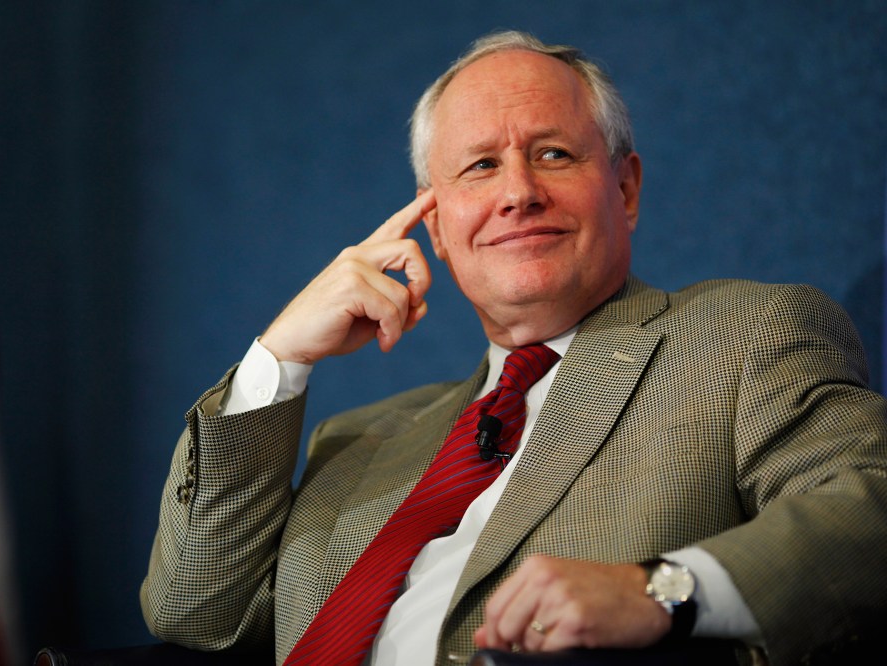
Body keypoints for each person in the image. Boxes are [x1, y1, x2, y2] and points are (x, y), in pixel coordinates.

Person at [140, 30, 887, 665]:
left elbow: (867, 516)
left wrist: (660, 589)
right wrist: (279, 359)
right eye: (480, 166)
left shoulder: (745, 338)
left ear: (624, 189)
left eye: (554, 154)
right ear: (435, 225)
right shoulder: (356, 444)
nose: (518, 192)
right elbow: (193, 613)